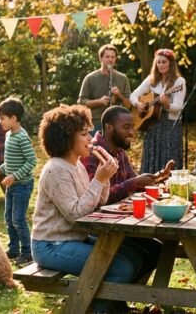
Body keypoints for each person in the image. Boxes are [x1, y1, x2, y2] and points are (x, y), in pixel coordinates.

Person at [31, 104, 145, 313]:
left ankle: (113, 306)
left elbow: (97, 204)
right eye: (84, 133)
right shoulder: (56, 170)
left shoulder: (77, 165)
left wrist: (105, 178)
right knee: (122, 269)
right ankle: (94, 309)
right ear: (66, 138)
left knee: (135, 258)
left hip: (74, 239)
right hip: (51, 245)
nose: (90, 138)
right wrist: (99, 179)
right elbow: (76, 215)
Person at [80, 106, 164, 280]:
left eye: (132, 127)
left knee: (158, 249)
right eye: (126, 127)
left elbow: (133, 183)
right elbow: (96, 199)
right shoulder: (92, 153)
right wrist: (134, 183)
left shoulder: (120, 152)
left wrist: (155, 181)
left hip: (122, 221)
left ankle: (125, 296)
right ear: (109, 127)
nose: (132, 132)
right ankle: (113, 300)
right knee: (139, 255)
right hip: (98, 226)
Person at [0, 98, 37, 266]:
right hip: (12, 185)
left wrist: (14, 176)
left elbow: (31, 161)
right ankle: (14, 249)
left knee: (18, 219)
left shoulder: (22, 137)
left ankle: (27, 252)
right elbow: (10, 160)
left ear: (14, 118)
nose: (0, 121)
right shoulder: (8, 135)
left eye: (2, 118)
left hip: (22, 185)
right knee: (8, 218)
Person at [129, 49, 186, 175]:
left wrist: (167, 105)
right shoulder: (151, 80)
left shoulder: (179, 82)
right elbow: (133, 95)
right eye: (158, 62)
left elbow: (178, 106)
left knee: (169, 160)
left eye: (164, 62)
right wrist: (138, 104)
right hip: (152, 125)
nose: (160, 65)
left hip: (170, 126)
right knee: (151, 160)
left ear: (171, 64)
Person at [78, 44, 132, 134]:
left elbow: (128, 105)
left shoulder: (123, 78)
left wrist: (119, 95)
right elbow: (81, 102)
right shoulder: (90, 78)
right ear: (101, 58)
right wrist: (99, 101)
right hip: (95, 124)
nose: (110, 60)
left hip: (117, 123)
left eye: (112, 57)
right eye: (107, 57)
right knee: (96, 148)